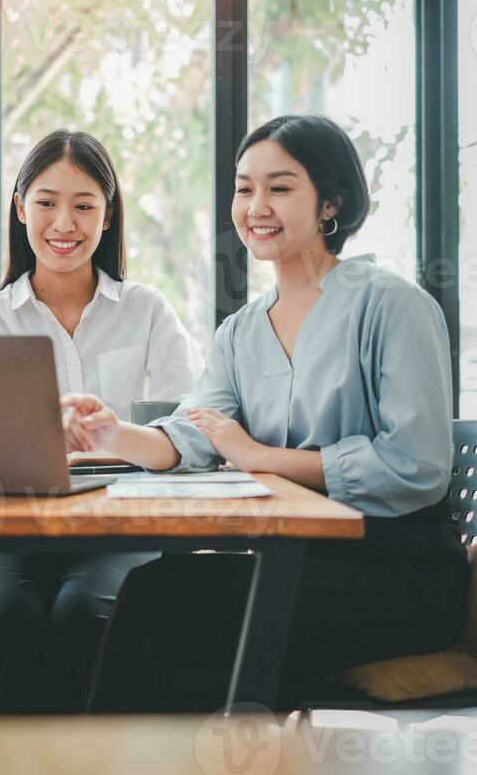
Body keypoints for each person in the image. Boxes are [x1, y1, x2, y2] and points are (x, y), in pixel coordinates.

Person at [62, 112, 470, 712]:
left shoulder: (394, 306)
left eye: (279, 188)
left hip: (398, 577)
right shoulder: (241, 331)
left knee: (162, 599)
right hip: (297, 565)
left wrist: (261, 458)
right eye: (244, 188)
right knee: (155, 595)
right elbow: (194, 435)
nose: (256, 205)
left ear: (330, 202)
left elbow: (415, 467)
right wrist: (112, 432)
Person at [0, 129, 202, 715]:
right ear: (20, 208)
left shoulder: (147, 310)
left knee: (88, 610)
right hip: (4, 525)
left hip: (119, 524)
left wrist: (121, 434)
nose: (64, 222)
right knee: (7, 615)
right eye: (46, 202)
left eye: (84, 205)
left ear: (108, 216)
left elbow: (191, 427)